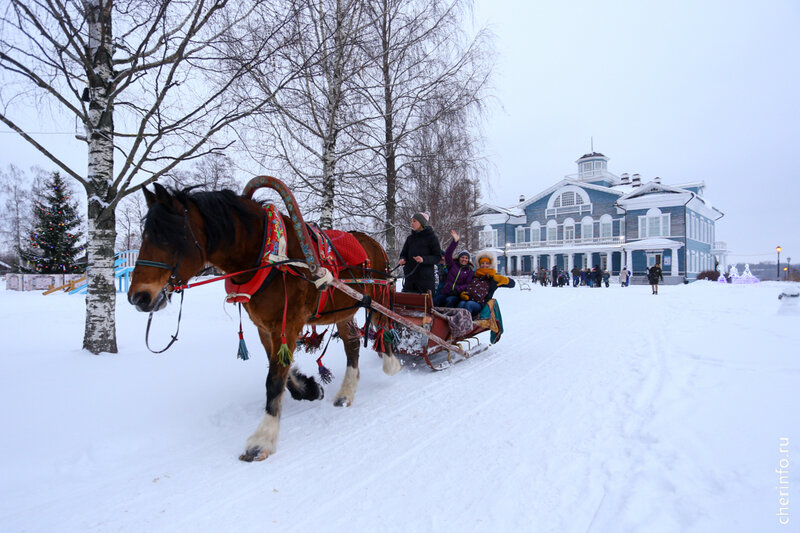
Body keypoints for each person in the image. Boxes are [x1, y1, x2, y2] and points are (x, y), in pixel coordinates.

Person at [458, 251, 516, 317]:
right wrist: (463, 293)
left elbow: (512, 284)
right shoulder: (475, 275)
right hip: (469, 298)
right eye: (482, 263)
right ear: (479, 264)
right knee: (461, 303)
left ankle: (465, 325)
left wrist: (505, 280)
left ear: (490, 264)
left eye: (487, 263)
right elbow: (466, 284)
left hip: (482, 304)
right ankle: (457, 323)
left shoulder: (493, 277)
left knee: (469, 304)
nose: (484, 265)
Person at [398, 212, 442, 294]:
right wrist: (402, 259)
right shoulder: (410, 239)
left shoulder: (432, 238)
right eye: (411, 221)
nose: (412, 223)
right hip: (410, 281)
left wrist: (423, 259)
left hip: (425, 282)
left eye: (414, 221)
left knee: (423, 305)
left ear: (421, 222)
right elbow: (403, 254)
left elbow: (437, 257)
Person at [433, 230, 473, 308]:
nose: (464, 259)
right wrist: (455, 242)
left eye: (466, 258)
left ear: (468, 260)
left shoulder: (469, 271)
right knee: (436, 300)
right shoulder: (452, 266)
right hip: (446, 291)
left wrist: (457, 289)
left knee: (449, 301)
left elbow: (467, 284)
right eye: (462, 257)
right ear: (459, 258)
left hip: (457, 294)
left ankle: (448, 318)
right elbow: (448, 254)